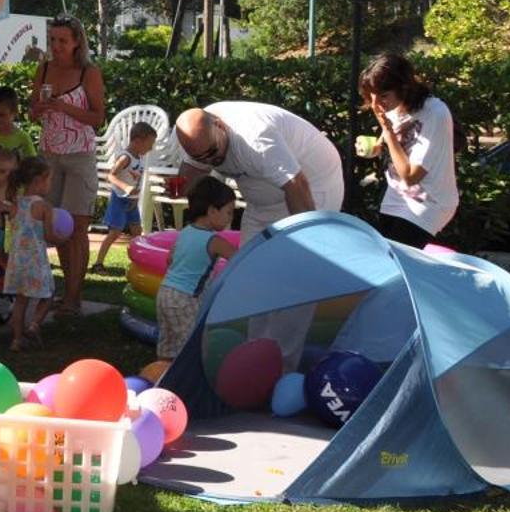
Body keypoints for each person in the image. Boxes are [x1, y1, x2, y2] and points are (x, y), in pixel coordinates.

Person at [172, 102, 344, 242]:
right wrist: (179, 188)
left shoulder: (255, 138)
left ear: (220, 126)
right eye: (199, 157)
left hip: (313, 181)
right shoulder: (199, 138)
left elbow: (296, 184)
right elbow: (192, 172)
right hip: (261, 200)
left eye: (211, 153)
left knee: (301, 257)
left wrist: (309, 242)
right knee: (247, 263)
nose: (208, 161)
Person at [31, 17, 105, 317]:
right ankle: (66, 293)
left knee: (77, 229)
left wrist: (64, 107)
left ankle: (74, 296)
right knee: (57, 227)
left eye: (62, 41)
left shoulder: (89, 72)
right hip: (49, 156)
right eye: (53, 40)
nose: (56, 46)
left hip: (79, 156)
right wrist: (39, 109)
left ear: (77, 42)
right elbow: (32, 111)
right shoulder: (44, 69)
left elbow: (98, 118)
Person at [361, 53, 460, 247]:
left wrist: (388, 132)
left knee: (396, 262)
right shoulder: (395, 106)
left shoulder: (435, 113)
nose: (376, 104)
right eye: (372, 96)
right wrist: (373, 147)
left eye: (383, 96)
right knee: (381, 257)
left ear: (404, 88)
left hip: (430, 202)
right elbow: (388, 146)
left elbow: (411, 176)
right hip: (397, 196)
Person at [156, 178, 239, 361]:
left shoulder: (185, 232)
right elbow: (240, 259)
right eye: (229, 212)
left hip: (165, 293)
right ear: (211, 211)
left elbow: (170, 259)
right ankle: (184, 383)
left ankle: (160, 375)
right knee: (191, 347)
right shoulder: (214, 241)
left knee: (168, 344)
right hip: (185, 300)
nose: (230, 218)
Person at [5, 156, 62, 352]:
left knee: (21, 302)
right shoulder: (44, 207)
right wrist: (63, 239)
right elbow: (49, 236)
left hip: (17, 262)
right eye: (50, 179)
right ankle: (34, 325)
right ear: (39, 180)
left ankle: (16, 340)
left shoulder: (15, 204)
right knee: (49, 294)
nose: (50, 184)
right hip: (36, 261)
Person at [94, 121, 157, 269]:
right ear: (138, 141)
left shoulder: (139, 157)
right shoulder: (125, 157)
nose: (151, 148)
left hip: (131, 202)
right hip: (119, 200)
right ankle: (98, 263)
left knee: (137, 232)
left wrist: (135, 198)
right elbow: (110, 176)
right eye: (149, 144)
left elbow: (136, 179)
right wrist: (126, 187)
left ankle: (139, 262)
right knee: (115, 232)